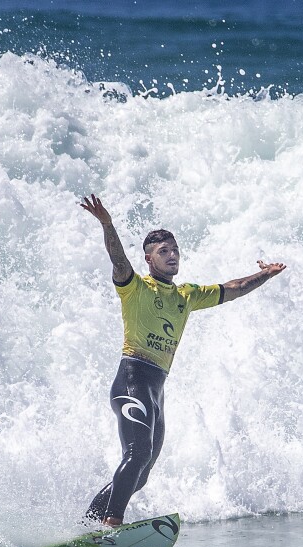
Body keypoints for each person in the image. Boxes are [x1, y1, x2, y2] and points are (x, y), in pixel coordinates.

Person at [80, 193, 286, 527]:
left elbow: (231, 289)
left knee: (142, 472)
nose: (173, 255)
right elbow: (118, 261)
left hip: (156, 391)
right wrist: (107, 224)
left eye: (175, 250)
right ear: (149, 259)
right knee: (137, 455)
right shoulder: (135, 288)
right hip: (132, 380)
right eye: (164, 252)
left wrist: (266, 275)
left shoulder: (186, 295)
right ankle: (110, 523)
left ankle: (88, 524)